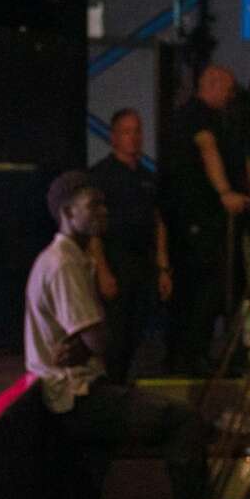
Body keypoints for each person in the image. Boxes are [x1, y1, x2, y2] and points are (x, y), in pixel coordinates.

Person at [26, 171, 218, 499]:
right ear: (68, 210)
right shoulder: (65, 261)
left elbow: (91, 340)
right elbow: (98, 339)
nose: (103, 212)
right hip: (79, 397)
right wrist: (92, 342)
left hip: (74, 394)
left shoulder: (72, 258)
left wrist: (90, 343)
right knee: (182, 421)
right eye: (94, 205)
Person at [161, 64, 250, 375]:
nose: (229, 96)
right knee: (204, 289)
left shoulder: (205, 117)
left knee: (207, 289)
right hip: (201, 220)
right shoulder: (198, 117)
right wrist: (225, 192)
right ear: (211, 84)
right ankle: (189, 357)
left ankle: (191, 355)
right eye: (227, 89)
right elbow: (207, 148)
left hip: (204, 220)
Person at [88, 108, 172, 382]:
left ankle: (125, 383)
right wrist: (102, 270)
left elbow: (158, 220)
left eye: (137, 131)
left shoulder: (148, 176)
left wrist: (162, 267)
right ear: (113, 137)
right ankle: (112, 384)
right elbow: (93, 229)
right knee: (115, 333)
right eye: (126, 132)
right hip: (116, 262)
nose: (133, 137)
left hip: (143, 265)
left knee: (138, 329)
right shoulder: (101, 175)